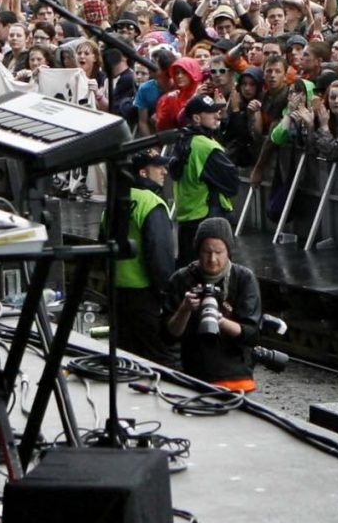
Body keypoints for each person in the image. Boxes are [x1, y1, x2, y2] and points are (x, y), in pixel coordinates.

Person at [160, 216, 264, 391]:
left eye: (219, 252)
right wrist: (185, 309)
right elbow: (168, 336)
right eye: (206, 252)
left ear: (228, 251)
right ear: (197, 250)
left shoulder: (243, 279)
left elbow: (251, 334)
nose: (212, 259)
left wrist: (220, 321)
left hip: (235, 378)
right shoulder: (182, 279)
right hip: (192, 375)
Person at [110, 146, 183, 366]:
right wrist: (167, 294)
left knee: (125, 359)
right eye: (158, 167)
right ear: (143, 172)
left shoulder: (115, 202)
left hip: (117, 294)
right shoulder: (152, 204)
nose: (164, 172)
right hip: (145, 294)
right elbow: (159, 253)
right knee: (163, 359)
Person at [170, 93, 243, 259]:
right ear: (196, 118)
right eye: (211, 112)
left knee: (188, 273)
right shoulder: (206, 147)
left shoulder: (183, 140)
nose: (217, 115)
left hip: (187, 219)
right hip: (208, 219)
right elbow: (232, 185)